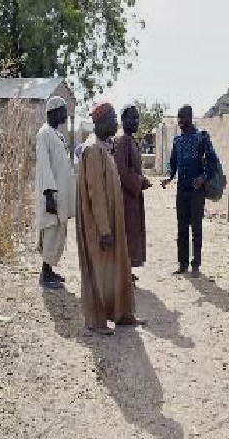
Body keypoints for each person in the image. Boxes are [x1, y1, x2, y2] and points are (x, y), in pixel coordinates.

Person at [76, 103, 144, 335]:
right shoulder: (93, 150)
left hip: (112, 221)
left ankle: (122, 314)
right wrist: (104, 230)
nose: (117, 124)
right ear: (101, 121)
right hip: (99, 225)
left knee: (118, 267)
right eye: (113, 119)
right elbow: (96, 194)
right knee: (100, 271)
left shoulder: (105, 147)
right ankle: (96, 321)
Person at [161, 105, 218, 277]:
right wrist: (169, 177)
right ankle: (182, 263)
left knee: (196, 229)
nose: (179, 121)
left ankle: (196, 264)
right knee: (181, 228)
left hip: (196, 192)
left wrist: (203, 178)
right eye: (178, 118)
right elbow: (173, 162)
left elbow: (212, 163)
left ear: (190, 117)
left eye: (182, 117)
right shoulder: (177, 140)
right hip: (181, 190)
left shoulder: (201, 137)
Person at [35, 96, 76, 289]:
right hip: (51, 196)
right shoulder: (44, 134)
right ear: (53, 112)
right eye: (63, 110)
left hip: (61, 195)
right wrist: (49, 195)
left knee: (58, 232)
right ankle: (45, 275)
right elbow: (44, 167)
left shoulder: (56, 134)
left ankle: (50, 270)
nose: (66, 115)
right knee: (51, 232)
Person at [113, 105, 151, 278]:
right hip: (125, 196)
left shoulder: (129, 139)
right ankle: (122, 271)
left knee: (132, 232)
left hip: (132, 196)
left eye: (137, 118)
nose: (135, 121)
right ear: (123, 119)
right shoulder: (122, 140)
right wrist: (139, 182)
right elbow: (122, 171)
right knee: (126, 232)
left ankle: (126, 269)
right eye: (132, 118)